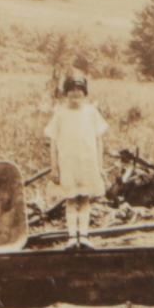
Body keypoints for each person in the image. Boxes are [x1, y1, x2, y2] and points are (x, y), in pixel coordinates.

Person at [45, 71, 112, 245]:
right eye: (71, 90)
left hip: (87, 164)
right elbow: (53, 141)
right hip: (68, 164)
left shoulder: (91, 112)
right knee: (71, 199)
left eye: (79, 90)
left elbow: (99, 140)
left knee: (84, 198)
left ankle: (83, 236)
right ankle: (72, 237)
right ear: (65, 93)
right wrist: (54, 167)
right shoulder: (60, 114)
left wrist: (99, 166)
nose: (75, 94)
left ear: (85, 92)